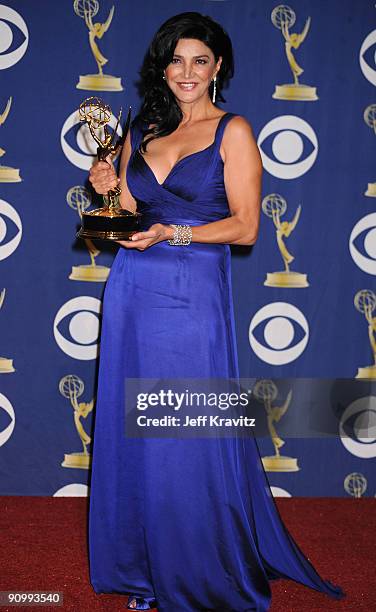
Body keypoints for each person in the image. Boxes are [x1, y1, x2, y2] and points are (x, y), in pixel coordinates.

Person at [87, 12, 344, 612]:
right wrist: (104, 180)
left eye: (199, 60)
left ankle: (195, 569)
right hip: (132, 289)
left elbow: (247, 227)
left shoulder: (233, 131)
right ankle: (143, 568)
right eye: (176, 60)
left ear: (217, 67)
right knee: (138, 429)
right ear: (164, 66)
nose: (186, 72)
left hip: (191, 291)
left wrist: (172, 233)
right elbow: (125, 208)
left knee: (186, 430)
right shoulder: (142, 131)